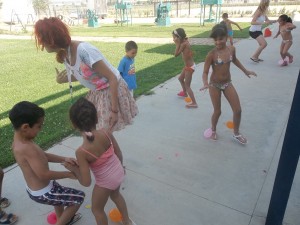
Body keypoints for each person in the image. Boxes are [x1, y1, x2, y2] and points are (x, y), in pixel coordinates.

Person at [34, 17, 138, 132]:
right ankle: (106, 149)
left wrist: (114, 110)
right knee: (100, 130)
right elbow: (85, 75)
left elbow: (112, 78)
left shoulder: (84, 51)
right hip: (98, 92)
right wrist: (63, 80)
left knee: (103, 132)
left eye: (42, 39)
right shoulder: (64, 54)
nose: (41, 44)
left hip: (111, 89)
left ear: (51, 40)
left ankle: (109, 150)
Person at [9, 101, 85, 225]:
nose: (40, 129)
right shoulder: (27, 147)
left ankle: (62, 219)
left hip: (43, 187)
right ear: (25, 127)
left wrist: (64, 159)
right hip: (44, 192)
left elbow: (43, 156)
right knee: (78, 198)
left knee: (59, 200)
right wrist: (69, 174)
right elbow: (44, 174)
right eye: (39, 126)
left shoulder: (22, 141)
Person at [64, 97, 136, 225]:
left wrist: (74, 169)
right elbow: (118, 153)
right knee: (116, 195)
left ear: (73, 125)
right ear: (96, 118)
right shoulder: (106, 133)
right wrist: (120, 167)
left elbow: (86, 182)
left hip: (105, 182)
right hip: (118, 172)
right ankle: (127, 221)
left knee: (97, 210)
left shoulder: (82, 151)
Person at [200, 24, 257, 145]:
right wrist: (205, 83)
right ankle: (213, 130)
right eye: (215, 39)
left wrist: (245, 71)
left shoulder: (231, 49)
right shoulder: (211, 54)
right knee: (217, 111)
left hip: (227, 84)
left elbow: (234, 60)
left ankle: (236, 133)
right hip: (214, 85)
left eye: (220, 39)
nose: (217, 42)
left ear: (226, 37)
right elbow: (205, 72)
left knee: (238, 110)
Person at [173, 28, 198, 108]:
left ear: (179, 37)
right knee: (180, 78)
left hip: (189, 67)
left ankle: (194, 102)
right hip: (188, 66)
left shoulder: (183, 44)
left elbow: (176, 54)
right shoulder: (185, 41)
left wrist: (177, 44)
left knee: (187, 85)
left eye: (174, 37)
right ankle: (184, 92)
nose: (174, 39)